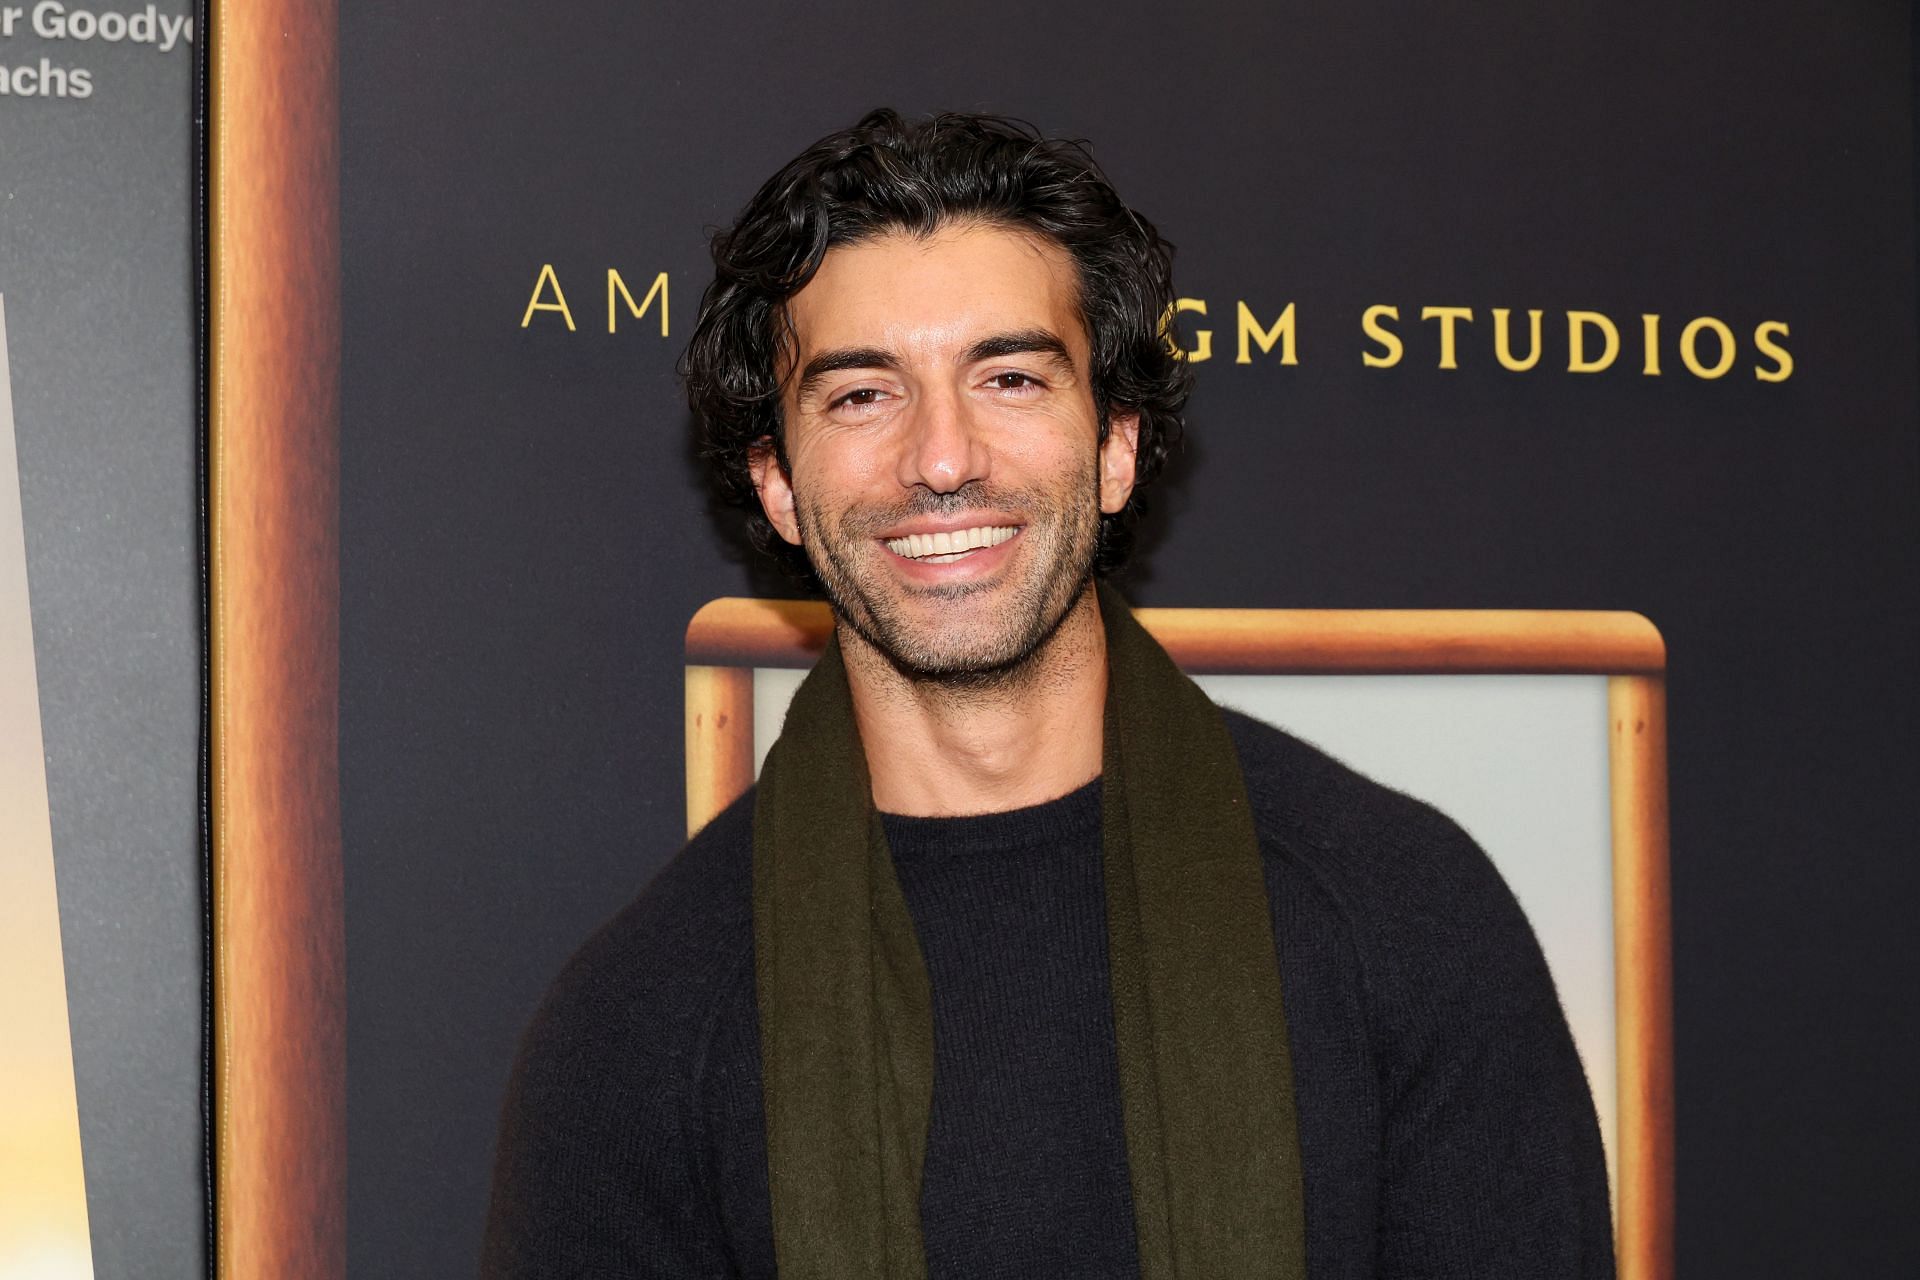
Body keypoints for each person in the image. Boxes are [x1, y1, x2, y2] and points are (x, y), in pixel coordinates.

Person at [481, 108, 1615, 1279]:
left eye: (1011, 376)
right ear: (775, 483)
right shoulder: (637, 1030)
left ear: (1117, 441)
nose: (943, 456)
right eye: (862, 395)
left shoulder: (1405, 917)